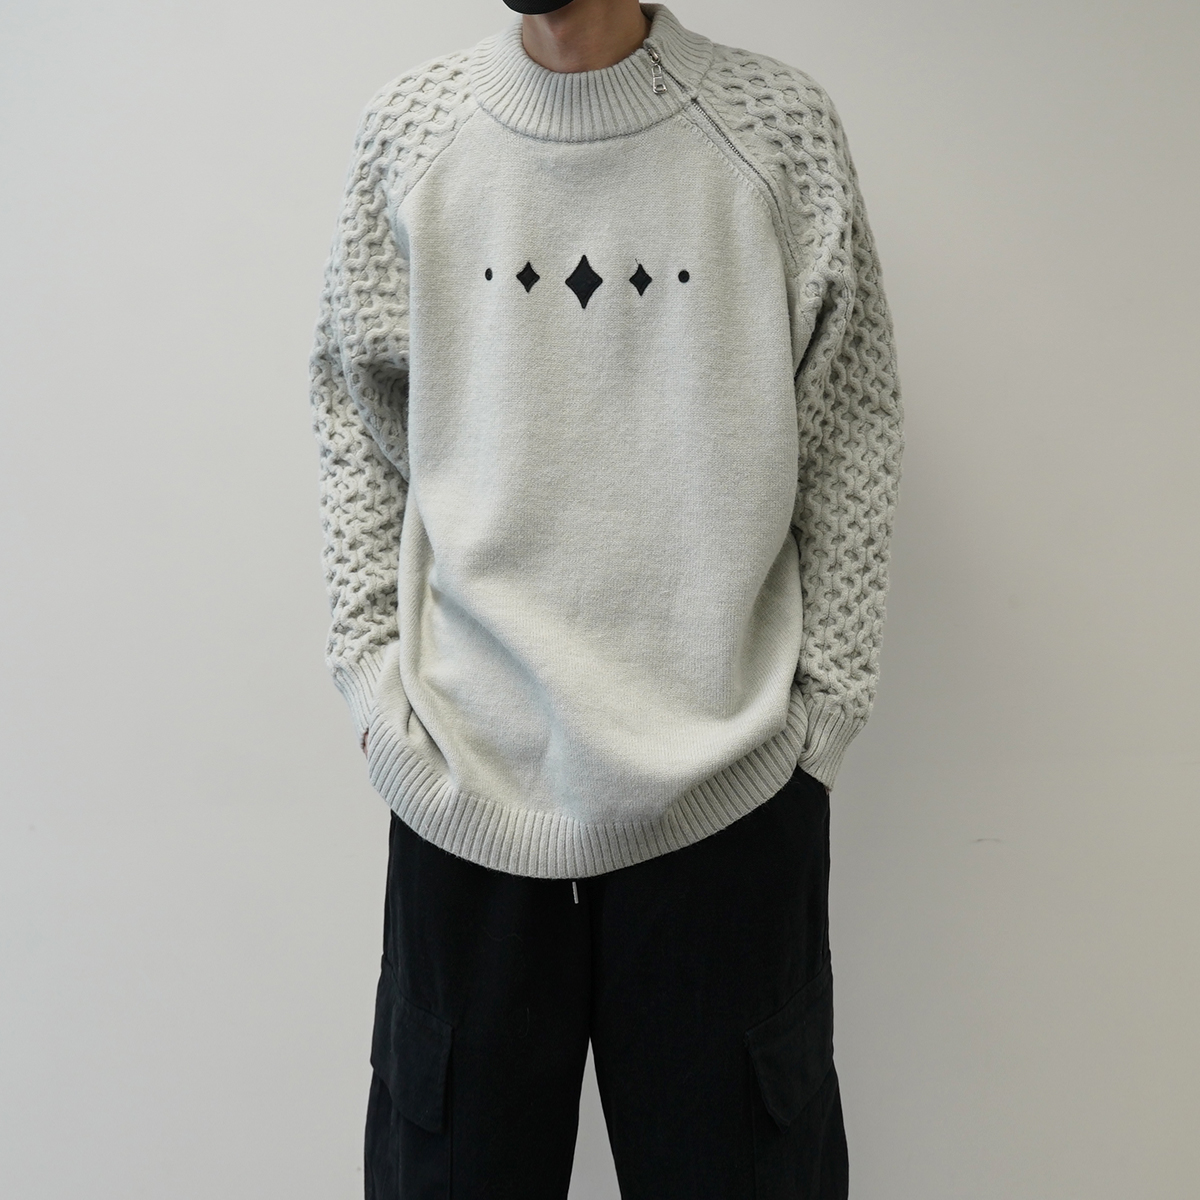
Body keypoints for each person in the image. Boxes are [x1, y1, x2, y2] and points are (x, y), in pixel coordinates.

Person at [309, 0, 903, 1194]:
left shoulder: (777, 131)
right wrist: (376, 689)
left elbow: (852, 423)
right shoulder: (410, 131)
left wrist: (821, 719)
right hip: (466, 795)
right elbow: (353, 409)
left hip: (726, 804)